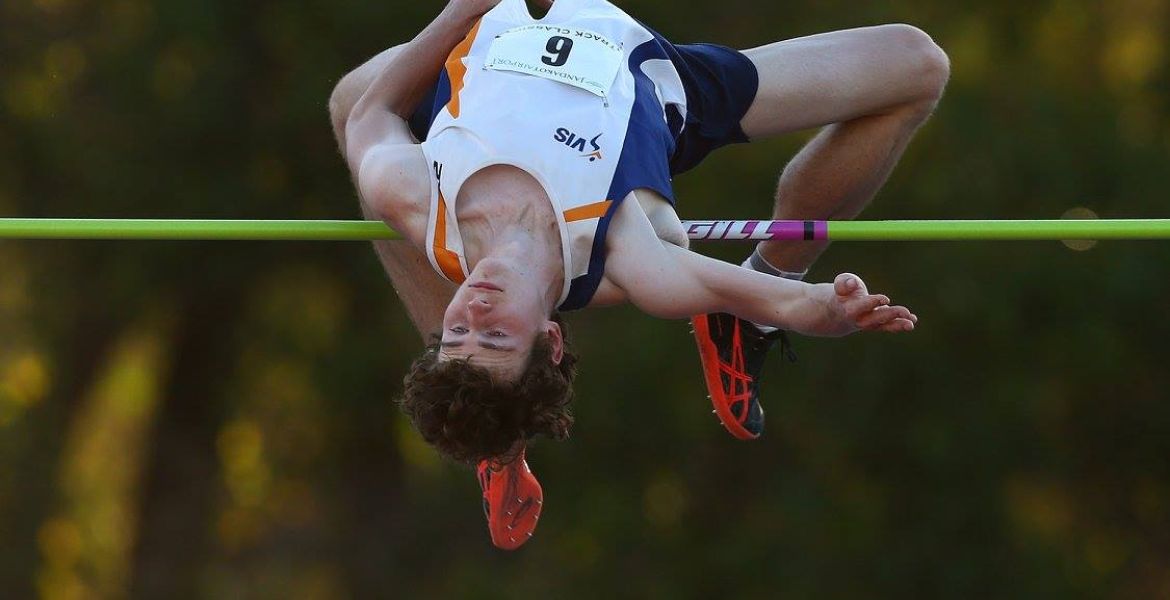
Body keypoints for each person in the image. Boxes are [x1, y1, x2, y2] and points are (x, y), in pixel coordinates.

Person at [328, 0, 947, 549]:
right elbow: (797, 307)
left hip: (496, 36)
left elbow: (368, 114)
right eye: (495, 339)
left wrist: (461, 12)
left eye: (455, 334)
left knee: (346, 99)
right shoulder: (626, 257)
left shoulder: (416, 198)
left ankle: (490, 429)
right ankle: (744, 325)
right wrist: (824, 305)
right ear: (550, 337)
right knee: (918, 64)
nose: (473, 314)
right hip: (658, 80)